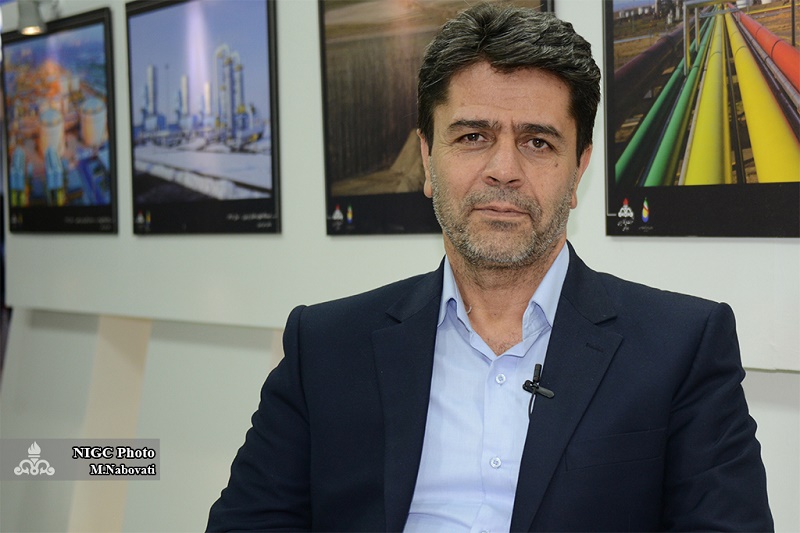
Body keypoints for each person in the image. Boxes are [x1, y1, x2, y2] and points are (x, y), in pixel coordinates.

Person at [207, 4, 773, 531]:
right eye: (473, 136)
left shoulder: (682, 347)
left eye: (538, 142)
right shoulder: (324, 346)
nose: (504, 169)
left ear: (579, 169)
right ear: (427, 158)